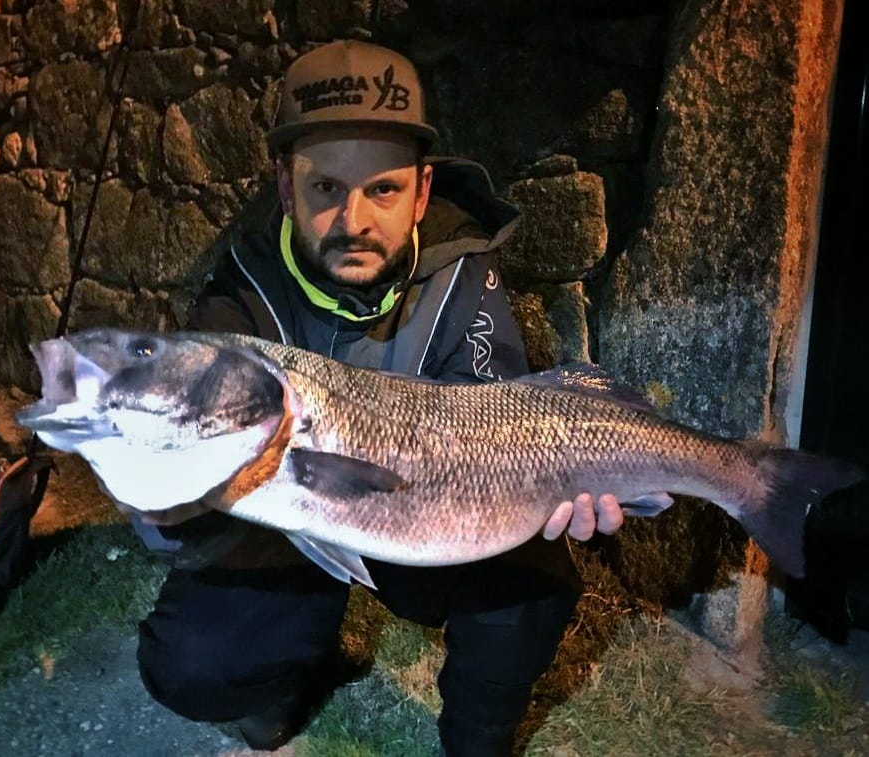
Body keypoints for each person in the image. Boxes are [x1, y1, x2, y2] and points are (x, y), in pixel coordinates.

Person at [133, 39, 624, 757]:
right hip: (294, 519)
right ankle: (277, 683)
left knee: (532, 583)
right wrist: (168, 496)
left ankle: (476, 742)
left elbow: (497, 421)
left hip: (421, 510)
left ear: (423, 190)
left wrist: (550, 491)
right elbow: (177, 500)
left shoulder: (465, 272)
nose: (355, 219)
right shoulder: (236, 295)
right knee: (191, 659)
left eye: (383, 189)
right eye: (325, 188)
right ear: (284, 187)